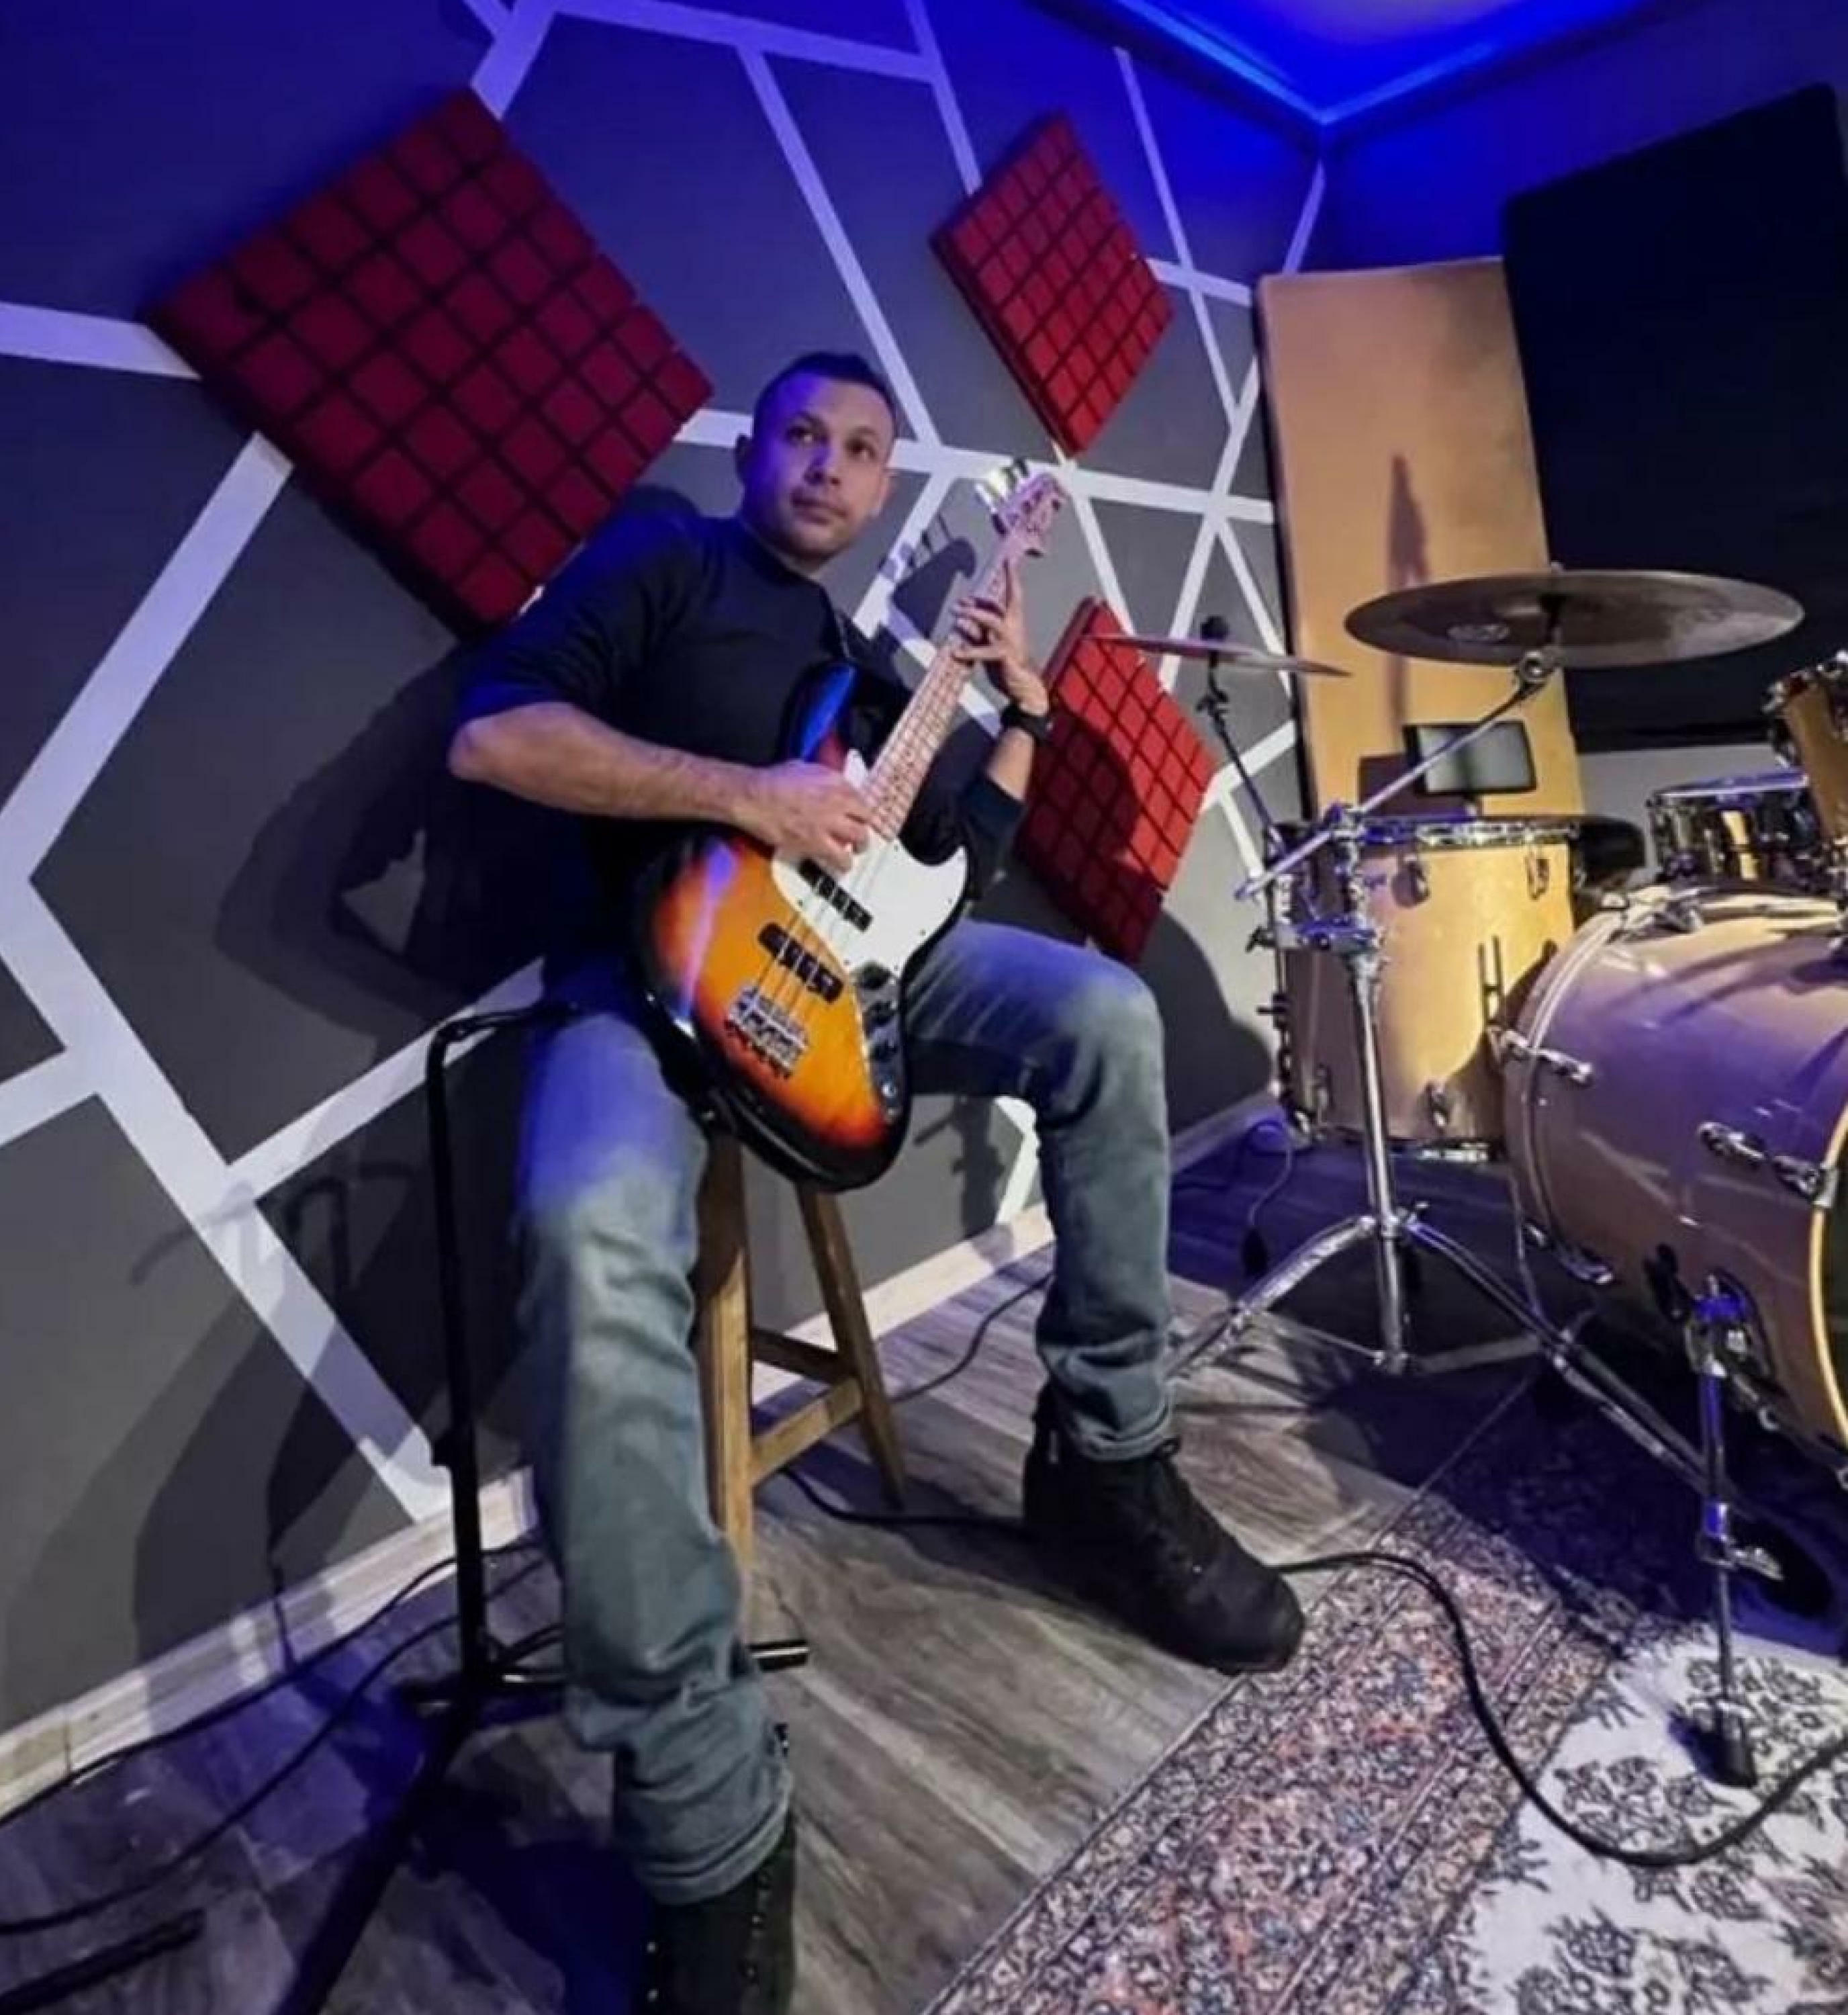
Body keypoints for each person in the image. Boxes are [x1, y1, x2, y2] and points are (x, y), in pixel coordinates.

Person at [447, 351, 1303, 2014]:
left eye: (863, 449)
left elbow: (955, 865)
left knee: (1107, 1015)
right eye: (804, 437)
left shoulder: (856, 668)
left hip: (855, 976)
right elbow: (496, 738)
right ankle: (708, 1810)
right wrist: (745, 796)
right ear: (753, 452)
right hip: (647, 980)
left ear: (887, 485)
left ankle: (1105, 1464)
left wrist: (1020, 712)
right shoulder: (663, 566)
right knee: (585, 1224)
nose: (830, 468)